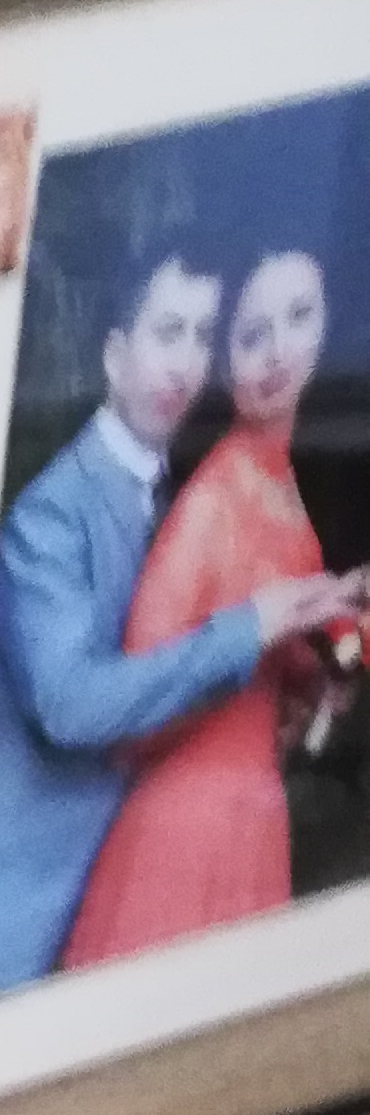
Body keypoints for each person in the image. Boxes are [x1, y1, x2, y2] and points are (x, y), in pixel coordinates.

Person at [0, 243, 357, 999]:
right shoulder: (51, 516)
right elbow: (70, 706)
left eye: (203, 336)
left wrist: (301, 677)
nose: (186, 364)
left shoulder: (176, 494)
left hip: (133, 889)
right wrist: (248, 629)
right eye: (169, 332)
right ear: (115, 355)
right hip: (13, 934)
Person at [62, 238, 355, 968]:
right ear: (225, 362)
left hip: (252, 820)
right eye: (252, 335)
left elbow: (274, 693)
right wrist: (262, 635)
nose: (278, 350)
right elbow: (134, 722)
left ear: (328, 326)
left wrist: (321, 675)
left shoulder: (284, 491)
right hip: (185, 836)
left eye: (299, 317)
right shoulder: (213, 501)